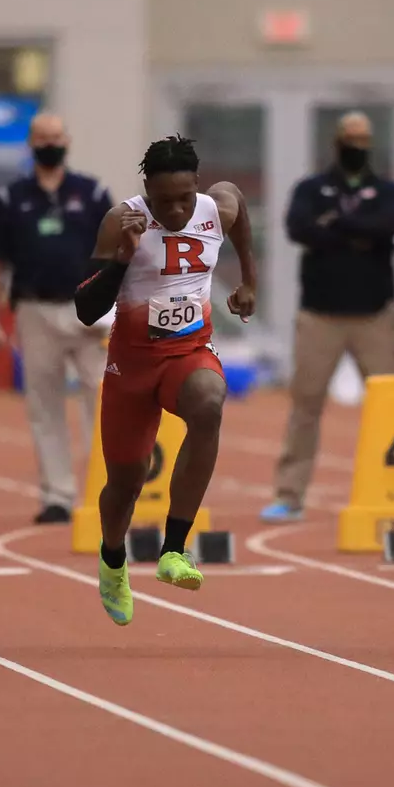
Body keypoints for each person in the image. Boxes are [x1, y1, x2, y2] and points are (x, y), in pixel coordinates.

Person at [74, 135, 257, 625]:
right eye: (163, 201)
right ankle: (113, 559)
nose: (175, 211)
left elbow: (239, 210)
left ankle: (174, 548)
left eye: (183, 198)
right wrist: (122, 258)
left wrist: (249, 281)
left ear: (195, 187)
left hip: (189, 351)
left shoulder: (215, 207)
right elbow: (87, 309)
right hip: (131, 365)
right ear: (147, 193)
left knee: (209, 402)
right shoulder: (122, 220)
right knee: (126, 481)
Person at [260, 111, 394, 522]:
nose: (356, 146)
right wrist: (357, 232)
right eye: (350, 138)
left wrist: (337, 226)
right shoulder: (311, 188)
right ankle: (289, 494)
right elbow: (299, 228)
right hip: (319, 314)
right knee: (305, 404)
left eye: (364, 138)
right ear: (336, 141)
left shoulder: (387, 190)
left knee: (390, 405)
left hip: (374, 314)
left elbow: (388, 226)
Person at [0, 111, 111, 523]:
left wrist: (116, 303)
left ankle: (105, 487)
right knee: (44, 404)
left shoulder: (92, 193)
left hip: (88, 311)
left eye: (57, 136)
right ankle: (57, 493)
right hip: (34, 310)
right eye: (43, 137)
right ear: (31, 143)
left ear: (67, 140)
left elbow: (118, 249)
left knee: (103, 399)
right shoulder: (11, 197)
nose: (51, 143)